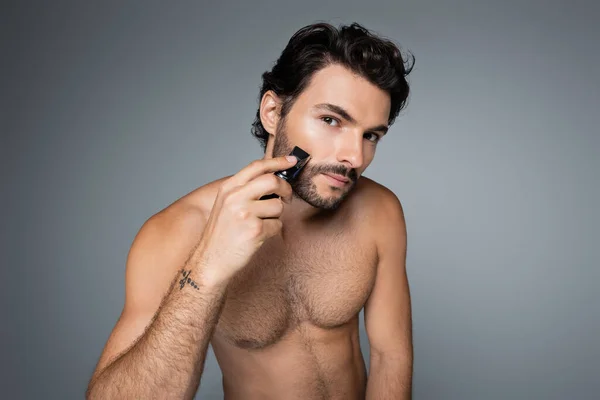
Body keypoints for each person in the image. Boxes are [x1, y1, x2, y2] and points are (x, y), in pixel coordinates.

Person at [86, 21, 415, 400]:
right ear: (273, 111)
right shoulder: (175, 233)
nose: (354, 157)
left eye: (370, 135)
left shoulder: (378, 210)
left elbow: (391, 355)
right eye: (331, 120)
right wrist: (208, 266)